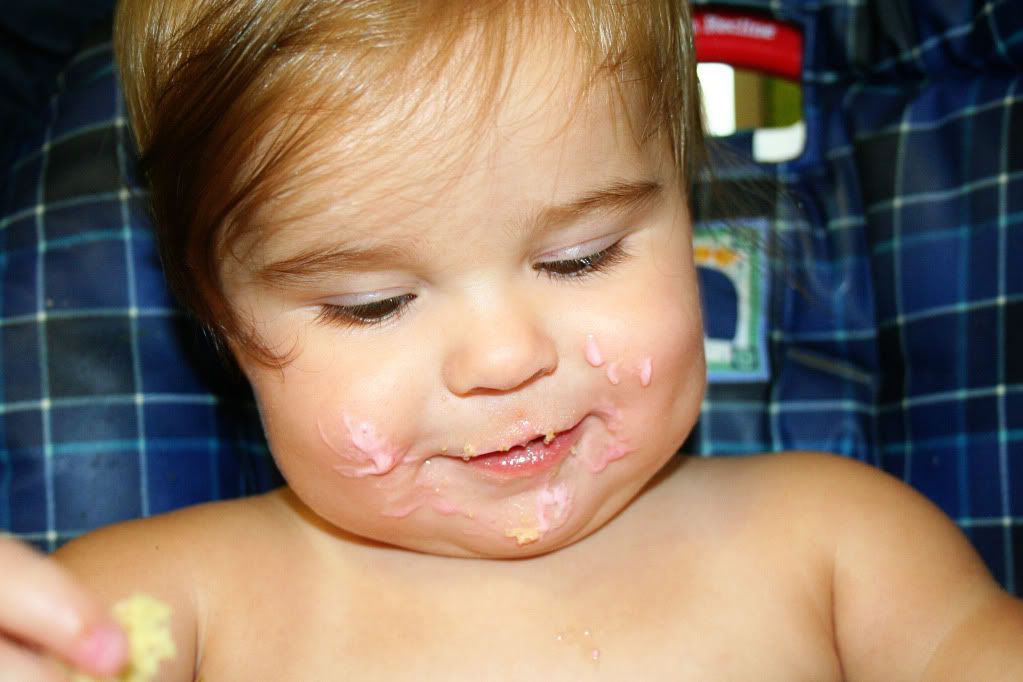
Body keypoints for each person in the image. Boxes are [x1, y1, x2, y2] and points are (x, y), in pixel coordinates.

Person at [3, 1, 1022, 679]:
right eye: (370, 304)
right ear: (220, 322)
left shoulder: (841, 551)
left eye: (580, 257)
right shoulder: (157, 611)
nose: (504, 359)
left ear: (688, 214)